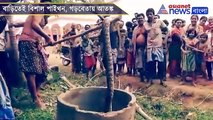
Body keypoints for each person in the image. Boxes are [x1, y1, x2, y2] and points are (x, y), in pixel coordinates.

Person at [18, 0, 54, 109]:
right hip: (27, 42)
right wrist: (47, 37)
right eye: (46, 3)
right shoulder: (39, 9)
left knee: (42, 70)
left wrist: (16, 24)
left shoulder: (41, 14)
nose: (48, 6)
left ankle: (36, 92)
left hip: (35, 43)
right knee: (31, 71)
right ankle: (35, 99)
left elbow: (29, 23)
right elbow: (33, 25)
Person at [144, 8, 167, 86]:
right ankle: (150, 81)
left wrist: (165, 40)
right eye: (148, 15)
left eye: (151, 14)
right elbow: (147, 30)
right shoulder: (145, 23)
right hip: (150, 46)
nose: (149, 16)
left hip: (159, 46)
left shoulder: (159, 21)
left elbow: (167, 30)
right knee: (150, 64)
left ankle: (161, 81)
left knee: (161, 63)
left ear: (154, 14)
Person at [132, 13, 147, 81]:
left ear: (144, 19)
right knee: (139, 63)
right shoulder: (135, 28)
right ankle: (141, 77)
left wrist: (147, 47)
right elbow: (134, 39)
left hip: (146, 47)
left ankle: (146, 77)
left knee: (146, 63)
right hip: (138, 48)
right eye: (139, 18)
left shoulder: (146, 26)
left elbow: (149, 37)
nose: (140, 19)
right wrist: (134, 49)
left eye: (141, 18)